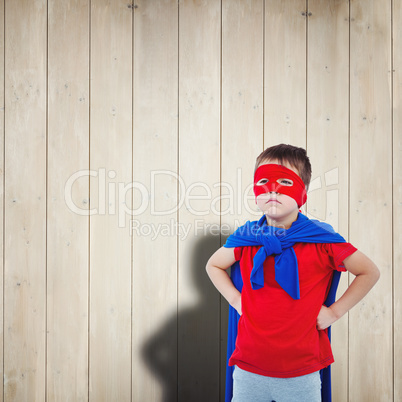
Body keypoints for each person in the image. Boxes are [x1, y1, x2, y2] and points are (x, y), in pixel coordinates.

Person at [206, 144, 380, 402]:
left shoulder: (322, 240)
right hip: (248, 367)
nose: (273, 188)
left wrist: (334, 312)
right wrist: (235, 300)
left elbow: (369, 272)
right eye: (264, 180)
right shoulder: (246, 237)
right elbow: (213, 265)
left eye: (285, 181)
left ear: (304, 192)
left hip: (301, 372)